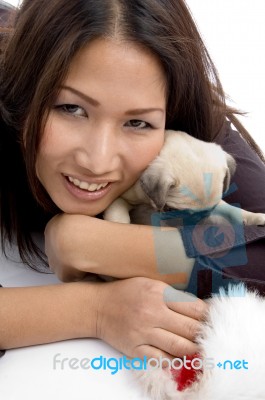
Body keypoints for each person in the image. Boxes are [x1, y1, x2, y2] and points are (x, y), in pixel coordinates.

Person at [0, 0, 265, 363]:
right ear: (20, 94)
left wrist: (95, 243)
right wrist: (94, 309)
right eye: (70, 108)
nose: (98, 160)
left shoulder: (191, 127)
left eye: (138, 123)